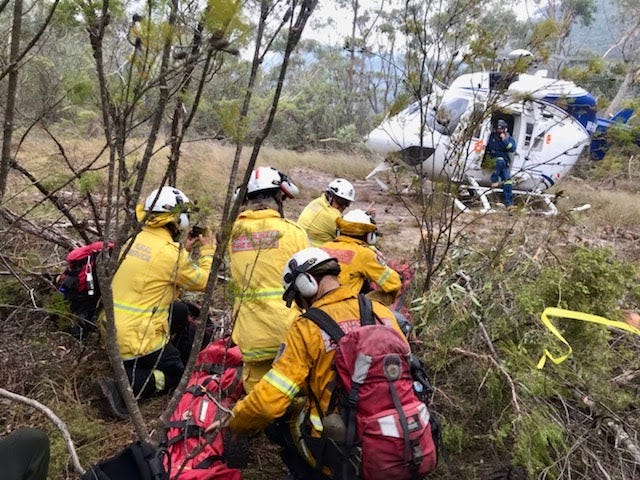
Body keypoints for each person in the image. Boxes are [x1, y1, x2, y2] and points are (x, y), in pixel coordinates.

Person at [208, 247, 407, 479]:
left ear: (306, 284)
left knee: (278, 424)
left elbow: (268, 403)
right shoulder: (382, 312)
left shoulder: (308, 328)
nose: (301, 307)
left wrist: (235, 419)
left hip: (343, 446)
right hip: (395, 434)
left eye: (298, 300)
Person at [98, 186, 215, 419]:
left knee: (179, 310)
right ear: (177, 218)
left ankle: (151, 357)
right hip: (135, 338)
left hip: (110, 328)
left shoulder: (133, 239)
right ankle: (124, 386)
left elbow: (158, 274)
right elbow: (204, 282)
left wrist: (184, 250)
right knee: (176, 374)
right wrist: (209, 252)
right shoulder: (170, 254)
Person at [229, 166, 310, 393]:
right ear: (279, 196)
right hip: (287, 334)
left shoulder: (232, 233)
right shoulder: (293, 232)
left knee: (257, 396)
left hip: (249, 338)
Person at [321, 209, 401, 306]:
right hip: (344, 309)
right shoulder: (364, 254)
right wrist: (367, 302)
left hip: (317, 309)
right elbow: (394, 283)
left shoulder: (323, 247)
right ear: (369, 237)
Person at [297, 178, 356, 247]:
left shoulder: (317, 202)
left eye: (347, 203)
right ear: (330, 196)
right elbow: (354, 235)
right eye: (341, 202)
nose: (343, 206)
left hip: (301, 246)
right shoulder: (332, 217)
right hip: (316, 253)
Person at [487, 119, 517, 207]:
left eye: (501, 129)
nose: (499, 130)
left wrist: (504, 140)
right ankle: (494, 180)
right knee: (499, 160)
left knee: (508, 181)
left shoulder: (508, 138)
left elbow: (512, 149)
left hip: (504, 162)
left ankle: (509, 203)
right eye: (497, 128)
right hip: (492, 159)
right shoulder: (491, 137)